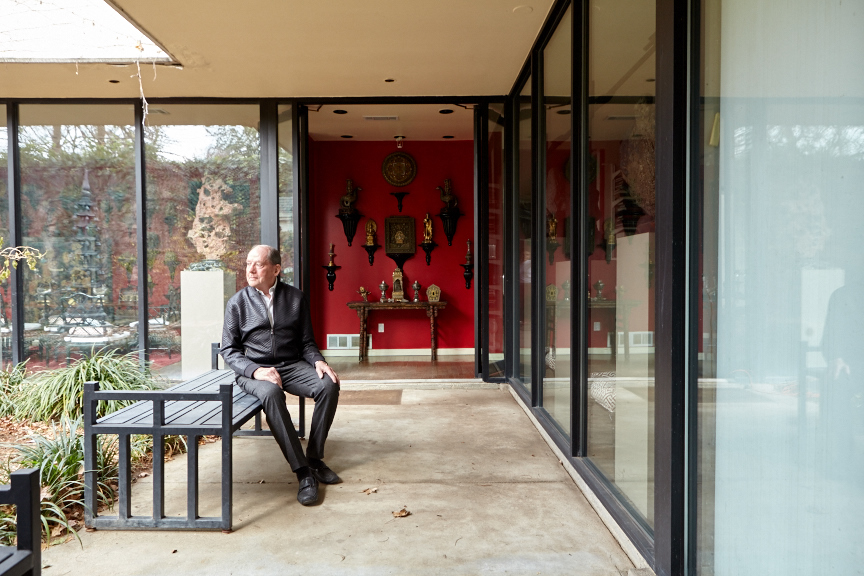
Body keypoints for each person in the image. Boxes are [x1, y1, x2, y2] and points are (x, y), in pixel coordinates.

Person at [221, 245, 341, 506]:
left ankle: (314, 458)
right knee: (272, 394)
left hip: (291, 365)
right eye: (248, 264)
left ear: (276, 269)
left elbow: (307, 342)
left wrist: (319, 361)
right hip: (253, 371)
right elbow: (229, 350)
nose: (250, 270)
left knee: (329, 384)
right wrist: (256, 370)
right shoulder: (237, 303)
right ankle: (303, 473)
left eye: (258, 264)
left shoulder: (296, 298)